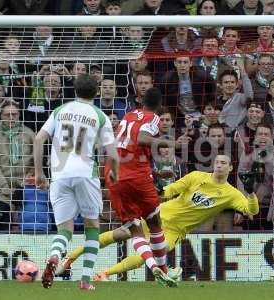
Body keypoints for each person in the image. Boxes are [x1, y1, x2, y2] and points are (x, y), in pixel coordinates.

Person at [57, 155, 259, 279]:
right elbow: (172, 189)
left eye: (224, 163)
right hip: (158, 216)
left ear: (230, 168)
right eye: (217, 162)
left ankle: (104, 275)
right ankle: (70, 258)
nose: (219, 166)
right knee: (117, 234)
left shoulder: (232, 193)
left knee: (151, 257)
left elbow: (251, 211)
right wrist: (161, 189)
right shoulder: (197, 176)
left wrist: (250, 192)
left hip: (175, 231)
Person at [34, 74, 119, 290]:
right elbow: (113, 154)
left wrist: (39, 173)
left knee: (65, 228)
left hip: (59, 175)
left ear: (74, 90)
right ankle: (86, 280)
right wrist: (114, 173)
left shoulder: (59, 111)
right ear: (97, 92)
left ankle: (54, 255)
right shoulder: (100, 116)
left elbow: (38, 139)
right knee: (92, 226)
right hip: (85, 174)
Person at [103, 87, 178, 287]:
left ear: (141, 101)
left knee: (134, 228)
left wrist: (157, 174)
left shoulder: (127, 115)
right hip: (135, 174)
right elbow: (142, 139)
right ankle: (162, 269)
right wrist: (170, 144)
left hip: (113, 173)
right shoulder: (153, 118)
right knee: (154, 223)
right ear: (159, 106)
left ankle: (153, 265)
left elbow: (128, 145)